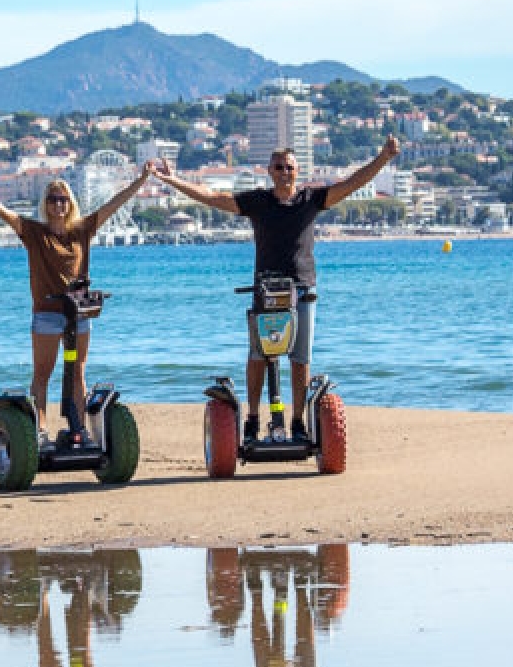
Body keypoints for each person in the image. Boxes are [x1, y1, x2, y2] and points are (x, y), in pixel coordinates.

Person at [151, 137, 399, 442]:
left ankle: (296, 421)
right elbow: (213, 197)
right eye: (279, 167)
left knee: (300, 359)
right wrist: (171, 179)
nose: (284, 172)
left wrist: (383, 157)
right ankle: (253, 418)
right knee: (259, 355)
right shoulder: (258, 201)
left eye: (290, 167)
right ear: (270, 170)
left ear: (298, 171)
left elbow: (351, 183)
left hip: (303, 288)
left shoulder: (311, 199)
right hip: (266, 289)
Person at [0, 166, 151, 444]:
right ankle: (39, 430)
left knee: (78, 372)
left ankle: (80, 430)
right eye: (53, 199)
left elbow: (114, 204)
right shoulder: (34, 233)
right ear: (46, 204)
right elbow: (7, 214)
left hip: (79, 312)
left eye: (63, 199)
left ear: (71, 203)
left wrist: (141, 180)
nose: (58, 204)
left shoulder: (82, 230)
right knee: (43, 373)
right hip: (47, 314)